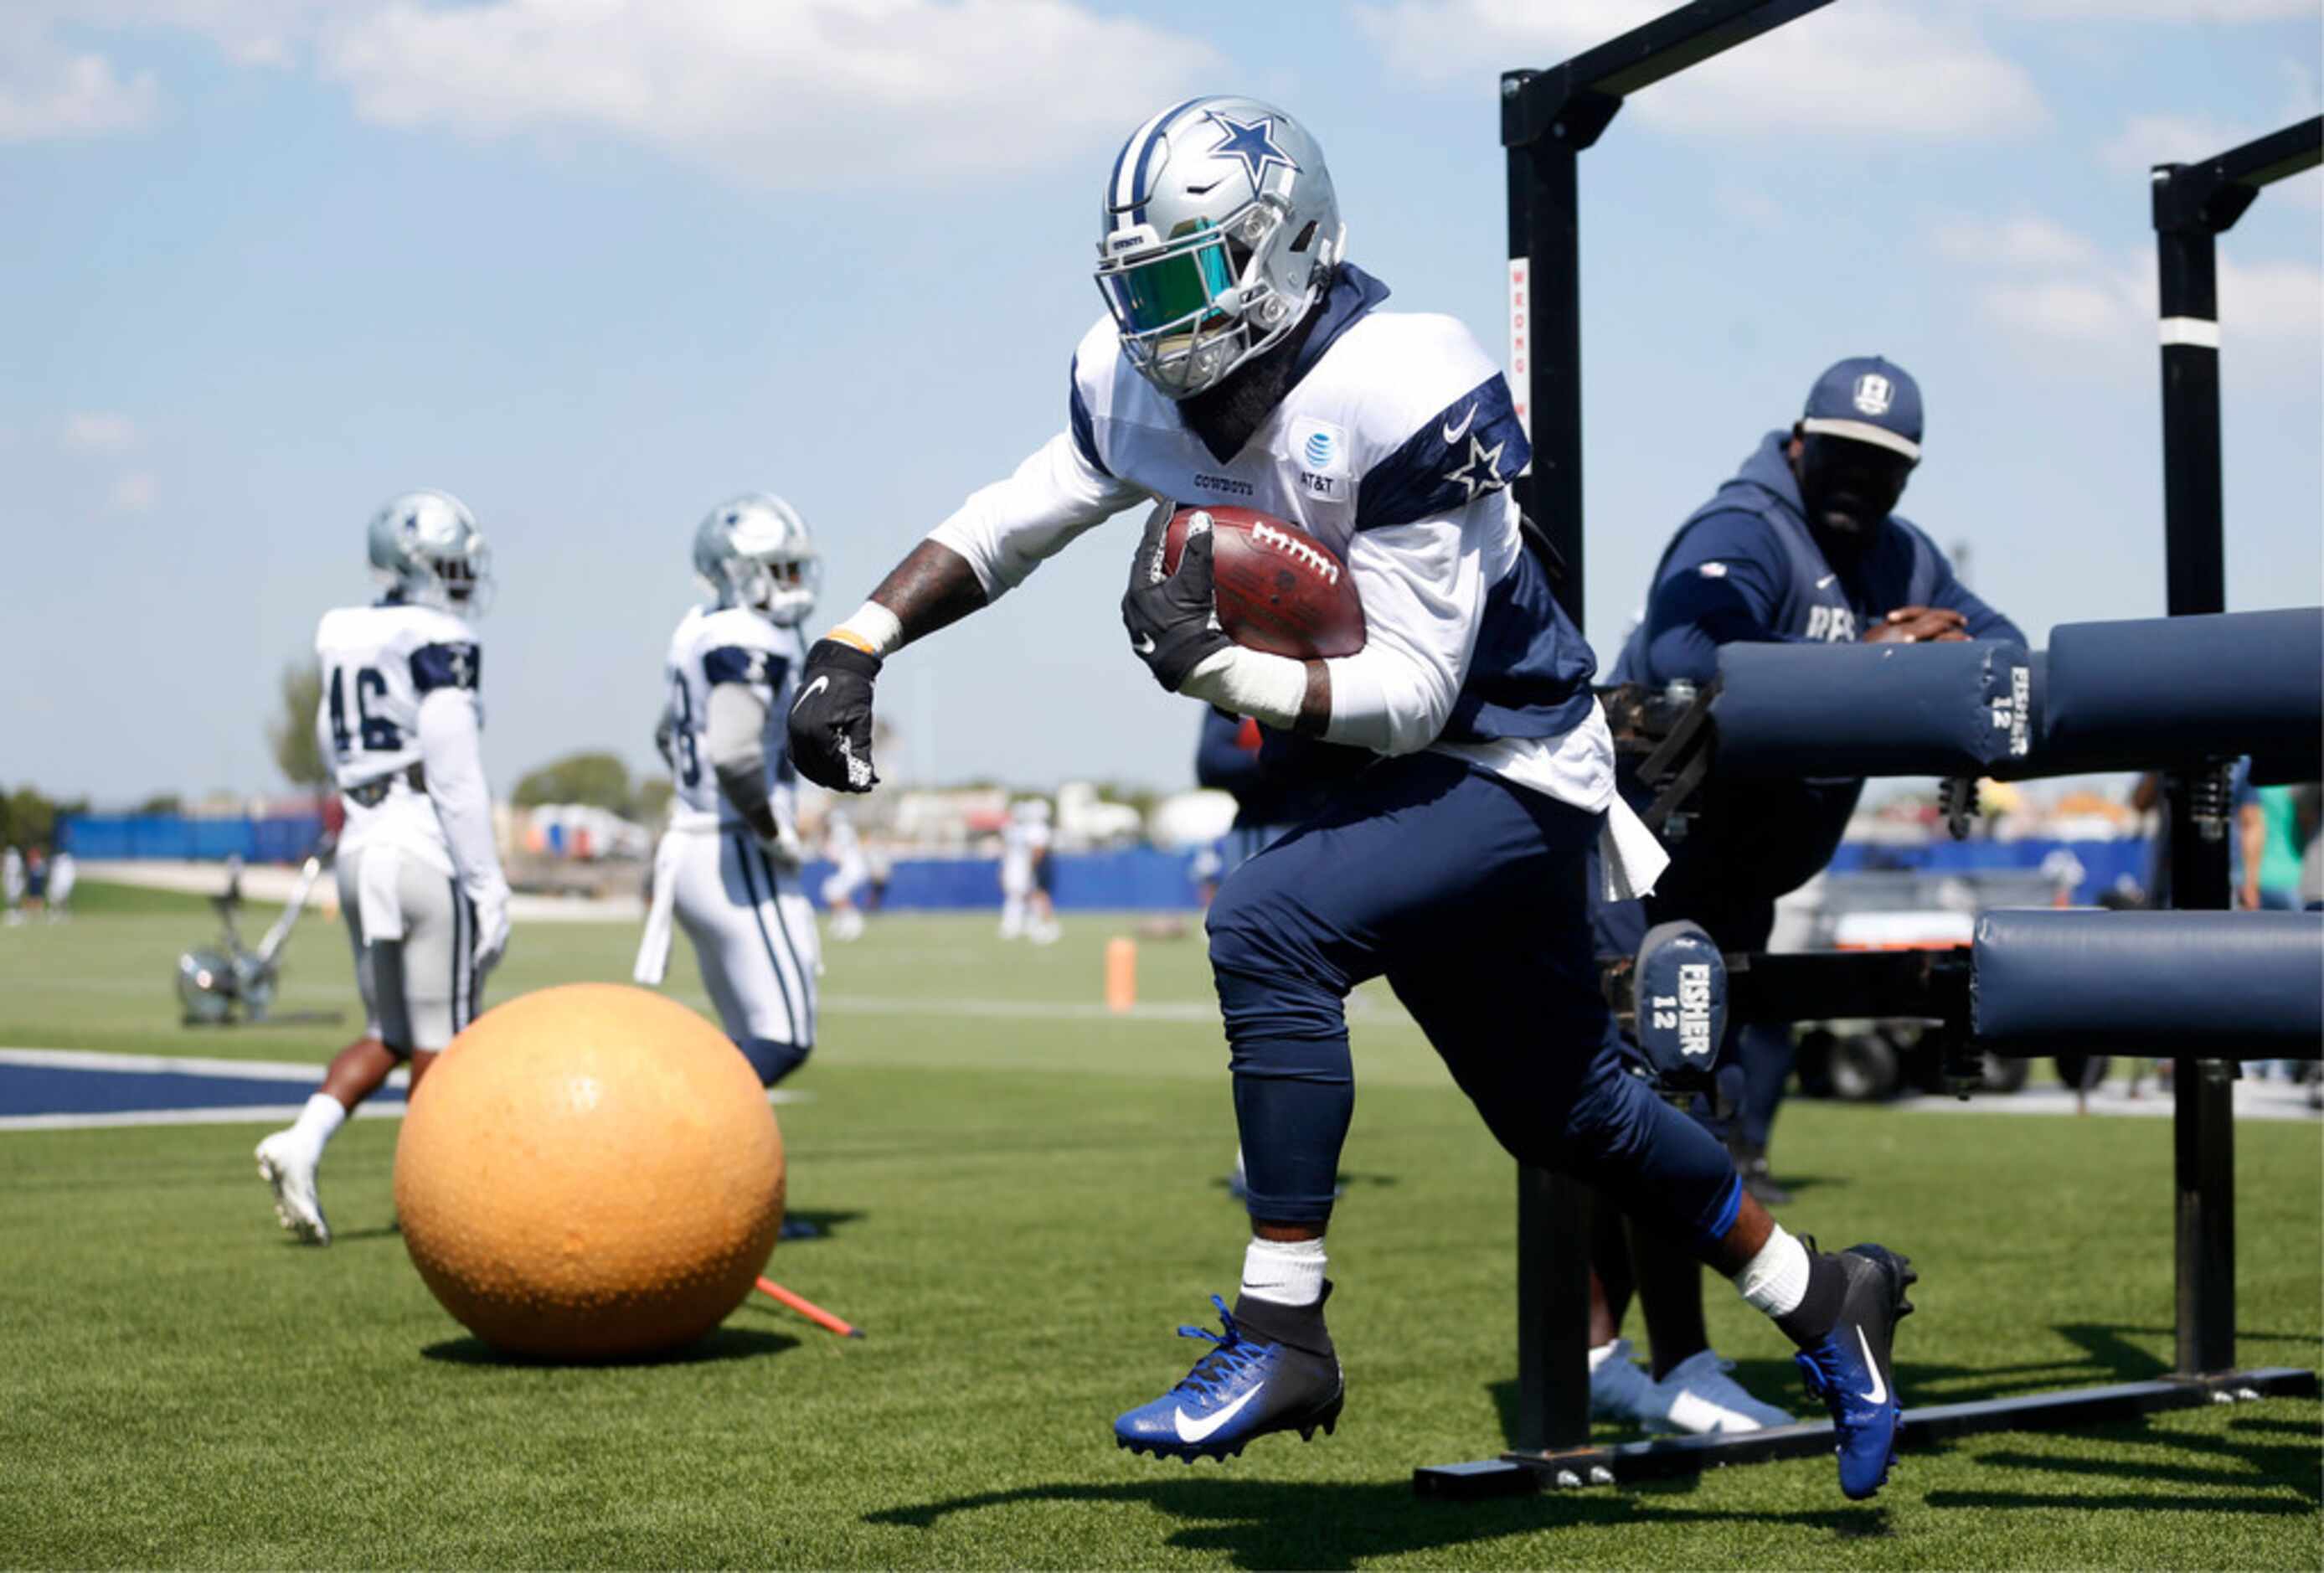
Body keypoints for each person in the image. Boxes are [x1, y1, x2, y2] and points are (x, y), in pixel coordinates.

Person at [787, 96, 1914, 1498]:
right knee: (1573, 1110)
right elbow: (1026, 505)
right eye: (1136, 286)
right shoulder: (1137, 378)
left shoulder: (1400, 381)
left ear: (1288, 246)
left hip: (1504, 755)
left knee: (1265, 923)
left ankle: (1283, 1324)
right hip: (1377, 772)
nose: (1157, 321)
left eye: (1186, 280)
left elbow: (1417, 694)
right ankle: (1826, 1300)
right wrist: (858, 638)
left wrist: (1217, 667)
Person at [1588, 356, 2022, 1433]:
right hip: (1643, 857)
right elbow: (1688, 653)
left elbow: (2006, 651)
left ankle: (1599, 1351)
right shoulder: (1743, 530)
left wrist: (1950, 656)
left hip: (1738, 875)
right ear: (1797, 439)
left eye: (1884, 466)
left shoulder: (1905, 557)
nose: (1857, 481)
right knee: (1648, 1105)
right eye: (1840, 454)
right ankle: (1665, 1362)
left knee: (1677, 1113)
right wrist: (1865, 667)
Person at [255, 490, 511, 1245]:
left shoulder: (342, 630)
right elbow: (455, 772)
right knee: (446, 1038)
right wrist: (489, 881)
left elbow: (333, 748)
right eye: (453, 564)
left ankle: (301, 1141)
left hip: (362, 840)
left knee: (389, 1031)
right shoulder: (438, 634)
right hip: (422, 842)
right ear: (420, 565)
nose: (464, 578)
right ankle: (432, 1198)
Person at [633, 495, 826, 1085]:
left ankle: (691, 1171)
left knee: (743, 1042)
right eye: (782, 569)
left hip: (694, 844)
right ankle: (642, 1144)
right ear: (742, 572)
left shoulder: (698, 628)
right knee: (784, 1037)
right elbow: (734, 754)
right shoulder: (748, 636)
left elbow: (669, 734)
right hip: (736, 849)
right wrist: (771, 832)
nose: (795, 582)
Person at [997, 799, 1059, 945]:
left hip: (1029, 867)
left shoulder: (1034, 829)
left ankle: (1039, 924)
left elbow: (1038, 850)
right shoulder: (1014, 829)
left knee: (1033, 895)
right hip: (1020, 868)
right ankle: (1018, 924)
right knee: (1020, 895)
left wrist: (1031, 867)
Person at [822, 809, 869, 942]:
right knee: (831, 889)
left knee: (834, 891)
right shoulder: (844, 830)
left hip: (853, 869)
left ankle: (852, 920)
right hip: (853, 869)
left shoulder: (840, 830)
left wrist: (827, 848)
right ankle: (841, 920)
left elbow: (834, 855)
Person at [44, 848, 75, 921]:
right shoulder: (56, 862)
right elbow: (53, 874)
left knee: (64, 899)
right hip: (57, 883)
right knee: (54, 898)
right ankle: (53, 912)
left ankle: (63, 913)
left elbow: (71, 875)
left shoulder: (68, 864)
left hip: (64, 884)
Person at [2, 845, 23, 926]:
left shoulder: (16, 859)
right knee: (10, 897)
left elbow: (18, 871)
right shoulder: (9, 859)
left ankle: (16, 912)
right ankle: (11, 911)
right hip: (10, 880)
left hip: (14, 880)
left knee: (15, 897)